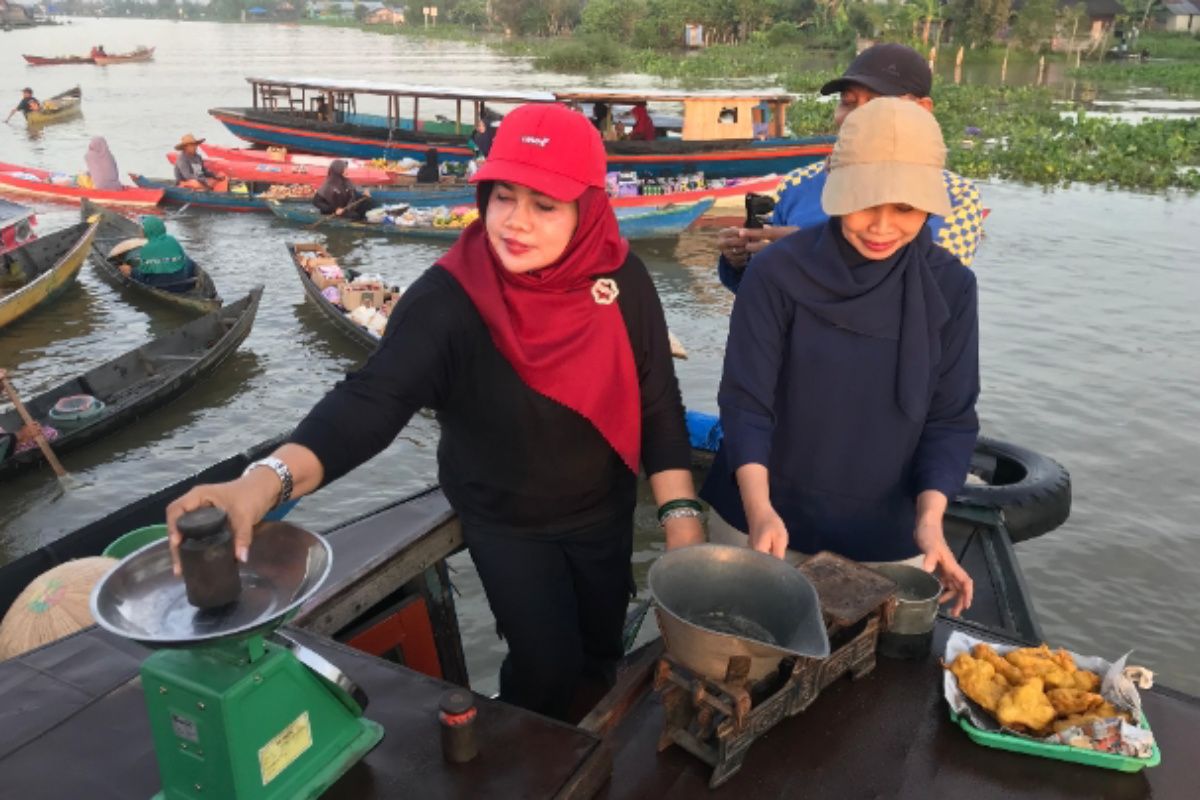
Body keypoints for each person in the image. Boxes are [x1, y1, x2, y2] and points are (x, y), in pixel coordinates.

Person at [165, 103, 704, 721]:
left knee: (602, 654)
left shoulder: (621, 277)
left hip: (604, 511)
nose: (514, 223)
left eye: (544, 205)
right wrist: (261, 485)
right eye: (503, 197)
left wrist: (682, 522)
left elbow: (657, 401)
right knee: (545, 669)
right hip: (508, 522)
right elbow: (370, 401)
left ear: (588, 209)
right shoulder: (451, 300)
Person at [701, 98, 977, 616]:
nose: (881, 226)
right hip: (761, 523)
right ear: (836, 191)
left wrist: (930, 520)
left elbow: (951, 417)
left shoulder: (952, 287)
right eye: (866, 202)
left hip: (889, 540)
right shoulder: (776, 273)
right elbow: (745, 402)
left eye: (905, 207)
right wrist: (760, 511)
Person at [716, 43, 985, 293]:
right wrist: (740, 261)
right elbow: (763, 290)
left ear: (922, 109)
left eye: (879, 102)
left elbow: (933, 291)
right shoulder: (797, 183)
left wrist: (813, 249)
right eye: (848, 102)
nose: (858, 115)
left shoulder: (953, 195)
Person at [117, 216, 195, 291]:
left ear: (148, 231)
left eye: (142, 229)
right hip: (183, 282)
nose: (140, 231)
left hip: (164, 286)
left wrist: (131, 271)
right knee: (187, 260)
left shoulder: (147, 248)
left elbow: (142, 273)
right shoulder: (172, 239)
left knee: (129, 268)